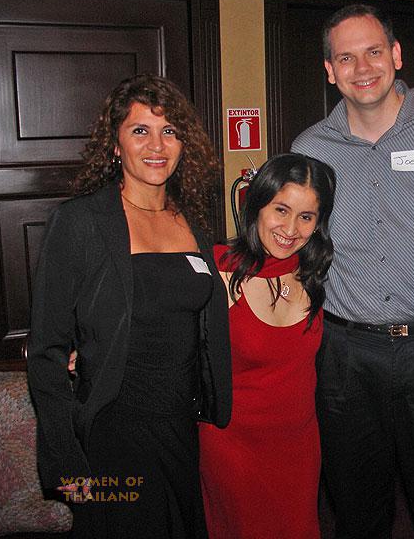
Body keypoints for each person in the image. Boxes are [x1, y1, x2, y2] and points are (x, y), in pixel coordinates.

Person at [27, 74, 231, 538]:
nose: (156, 145)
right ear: (115, 145)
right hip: (113, 433)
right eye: (140, 130)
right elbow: (46, 352)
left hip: (180, 428)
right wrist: (68, 464)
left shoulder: (193, 221)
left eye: (169, 131)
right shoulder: (80, 222)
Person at [291, 4, 414, 538]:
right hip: (346, 355)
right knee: (356, 507)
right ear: (329, 70)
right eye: (346, 58)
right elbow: (290, 238)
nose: (362, 68)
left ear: (396, 54)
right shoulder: (310, 149)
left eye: (373, 52)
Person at [199, 153, 335, 539]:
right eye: (281, 210)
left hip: (299, 448)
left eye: (306, 217)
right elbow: (156, 323)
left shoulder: (313, 272)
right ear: (256, 205)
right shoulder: (216, 269)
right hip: (233, 449)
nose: (290, 229)